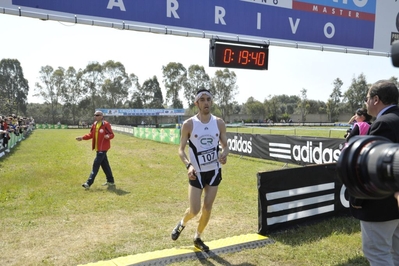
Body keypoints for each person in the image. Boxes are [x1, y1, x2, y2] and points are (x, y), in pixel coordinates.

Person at [171, 89, 229, 252]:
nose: (205, 102)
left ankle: (198, 237)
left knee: (207, 207)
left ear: (211, 102)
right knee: (194, 210)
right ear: (196, 103)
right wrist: (188, 165)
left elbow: (225, 146)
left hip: (214, 171)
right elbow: (181, 150)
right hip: (196, 173)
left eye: (208, 99)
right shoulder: (189, 124)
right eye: (202, 100)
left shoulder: (219, 123)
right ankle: (182, 223)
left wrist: (224, 154)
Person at [350, 80, 399, 266]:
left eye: (367, 98)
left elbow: (372, 169)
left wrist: (357, 200)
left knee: (378, 253)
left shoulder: (384, 124)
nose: (366, 102)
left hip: (382, 205)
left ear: (376, 99)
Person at [76, 111, 116, 190]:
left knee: (95, 165)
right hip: (98, 148)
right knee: (105, 165)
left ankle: (88, 183)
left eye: (97, 115)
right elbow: (91, 134)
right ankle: (110, 181)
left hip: (103, 149)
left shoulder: (106, 124)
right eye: (95, 115)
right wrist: (82, 137)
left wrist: (108, 136)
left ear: (102, 116)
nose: (96, 116)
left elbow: (112, 134)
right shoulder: (94, 124)